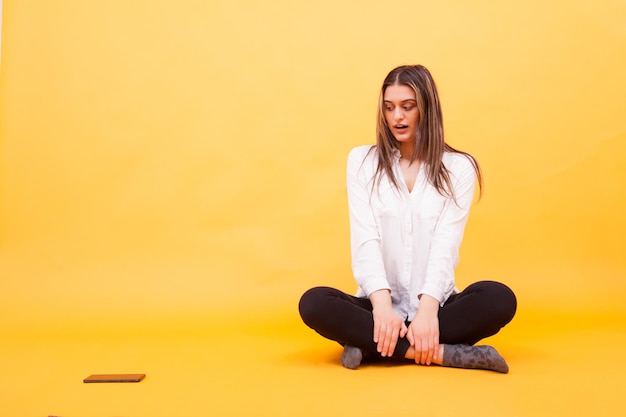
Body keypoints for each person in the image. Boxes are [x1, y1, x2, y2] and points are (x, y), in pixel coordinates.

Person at [298, 65, 517, 373]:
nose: (397, 117)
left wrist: (428, 310)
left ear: (426, 109)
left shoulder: (459, 168)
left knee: (499, 298)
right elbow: (366, 240)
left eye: (407, 107)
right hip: (377, 309)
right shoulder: (362, 162)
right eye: (389, 108)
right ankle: (440, 353)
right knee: (314, 303)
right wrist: (383, 309)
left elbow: (446, 244)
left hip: (436, 309)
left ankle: (371, 348)